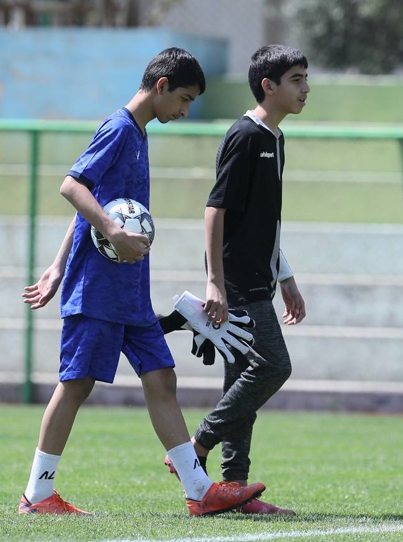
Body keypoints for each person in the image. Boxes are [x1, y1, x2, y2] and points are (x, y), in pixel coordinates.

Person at [18, 47, 265, 517]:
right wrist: (107, 235)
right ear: (162, 86)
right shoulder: (118, 129)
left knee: (161, 377)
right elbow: (73, 186)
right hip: (97, 288)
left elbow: (95, 201)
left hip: (130, 292)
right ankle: (38, 494)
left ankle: (199, 491)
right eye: (184, 99)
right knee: (77, 384)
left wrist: (55, 264)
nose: (185, 111)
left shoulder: (139, 135)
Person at [163, 45, 309, 515]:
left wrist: (284, 275)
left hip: (259, 279)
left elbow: (261, 221)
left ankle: (233, 489)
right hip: (238, 285)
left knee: (239, 382)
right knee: (273, 366)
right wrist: (214, 283)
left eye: (306, 78)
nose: (305, 88)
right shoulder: (246, 136)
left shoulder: (275, 138)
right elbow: (215, 210)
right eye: (296, 79)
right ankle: (196, 445)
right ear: (268, 85)